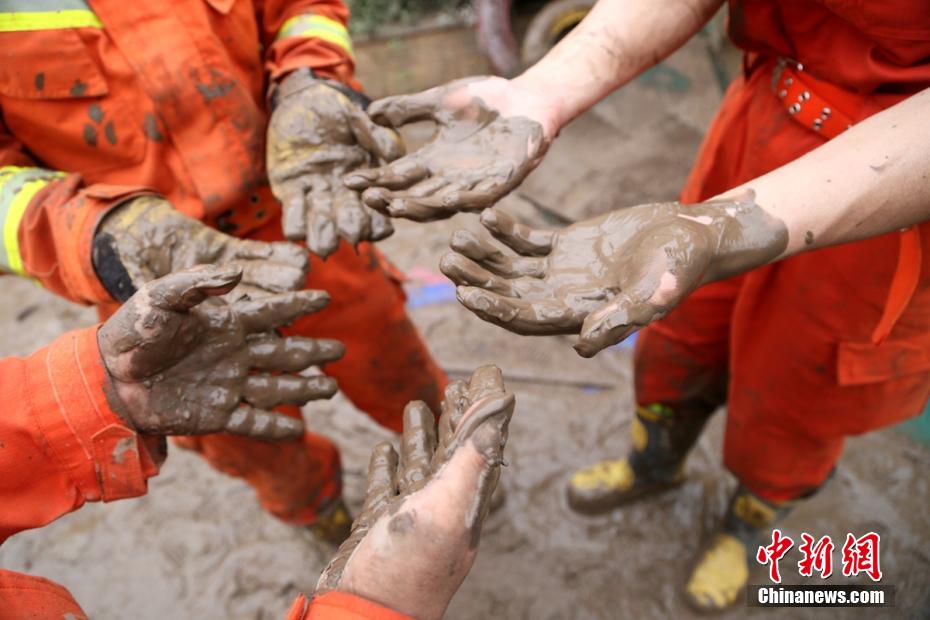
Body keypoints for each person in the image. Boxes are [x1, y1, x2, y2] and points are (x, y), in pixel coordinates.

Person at [345, 0, 930, 610]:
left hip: (894, 195)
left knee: (801, 395)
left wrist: (724, 228)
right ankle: (654, 464)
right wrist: (546, 90)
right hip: (764, 120)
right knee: (677, 335)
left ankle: (747, 521)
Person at [0, 0, 446, 540]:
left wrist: (312, 81)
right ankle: (320, 513)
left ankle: (453, 472)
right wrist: (96, 238)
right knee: (254, 441)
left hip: (304, 218)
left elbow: (303, 11)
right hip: (149, 282)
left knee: (402, 373)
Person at [0, 267, 514, 620]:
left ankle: (467, 484)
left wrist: (93, 392)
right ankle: (322, 515)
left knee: (406, 381)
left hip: (290, 245)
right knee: (269, 460)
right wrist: (370, 604)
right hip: (132, 277)